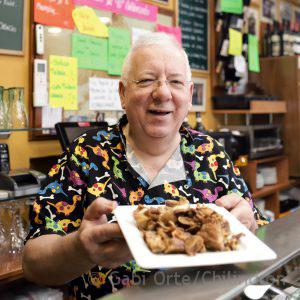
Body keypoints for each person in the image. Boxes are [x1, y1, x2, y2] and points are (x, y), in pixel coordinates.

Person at [23, 32, 268, 299]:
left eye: (175, 82)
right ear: (123, 94)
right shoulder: (86, 153)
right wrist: (80, 250)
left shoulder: (211, 154)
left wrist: (250, 228)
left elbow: (259, 233)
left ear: (188, 94)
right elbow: (32, 264)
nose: (162, 92)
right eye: (146, 80)